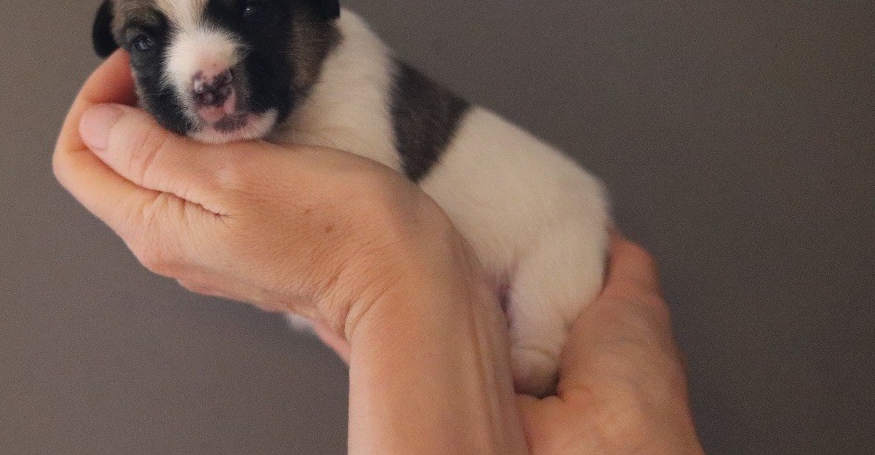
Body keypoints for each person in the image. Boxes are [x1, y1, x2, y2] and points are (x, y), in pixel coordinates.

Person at [54, 51, 704, 453]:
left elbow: (368, 212)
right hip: (554, 376)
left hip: (550, 229)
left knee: (537, 339)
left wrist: (373, 286)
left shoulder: (352, 82)